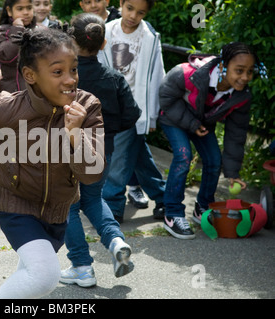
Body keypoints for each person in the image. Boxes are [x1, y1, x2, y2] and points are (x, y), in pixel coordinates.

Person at [0, 27, 105, 299]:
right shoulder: (8, 109)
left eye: (74, 70)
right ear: (31, 75)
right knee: (44, 275)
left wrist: (75, 135)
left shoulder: (87, 107)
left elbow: (91, 175)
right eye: (58, 72)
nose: (70, 80)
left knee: (30, 274)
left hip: (57, 209)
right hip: (14, 203)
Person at [59, 13, 140, 288]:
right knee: (94, 200)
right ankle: (116, 242)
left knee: (68, 205)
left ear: (71, 41)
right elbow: (132, 114)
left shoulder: (63, 77)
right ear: (104, 43)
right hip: (102, 151)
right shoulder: (114, 78)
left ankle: (82, 266)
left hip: (67, 151)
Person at [158, 42, 267, 239]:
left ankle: (203, 207)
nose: (245, 77)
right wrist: (191, 124)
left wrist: (233, 172)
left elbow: (236, 134)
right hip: (173, 118)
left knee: (214, 161)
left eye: (250, 72)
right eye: (239, 70)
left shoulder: (241, 96)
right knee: (183, 156)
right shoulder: (186, 73)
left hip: (201, 125)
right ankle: (172, 213)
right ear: (223, 66)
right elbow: (166, 98)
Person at [98, 0, 166, 222]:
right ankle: (165, 198)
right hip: (110, 106)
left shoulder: (150, 37)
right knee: (139, 157)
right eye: (129, 8)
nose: (133, 16)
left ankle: (112, 206)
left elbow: (157, 76)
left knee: (118, 158)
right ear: (121, 4)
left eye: (140, 12)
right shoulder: (106, 31)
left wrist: (153, 114)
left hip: (135, 108)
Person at [0, 0, 36, 93]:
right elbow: (6, 57)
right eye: (20, 9)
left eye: (29, 8)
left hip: (37, 93)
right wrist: (18, 30)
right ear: (9, 11)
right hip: (14, 94)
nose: (26, 12)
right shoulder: (2, 32)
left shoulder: (38, 31)